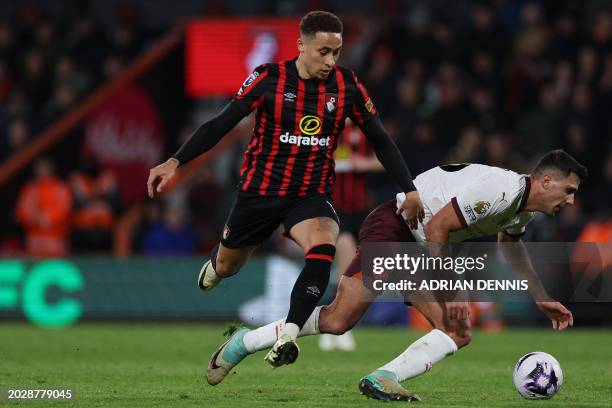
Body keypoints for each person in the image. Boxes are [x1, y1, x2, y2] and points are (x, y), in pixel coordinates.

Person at [147, 11, 424, 368]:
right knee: (228, 267)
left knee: (324, 244)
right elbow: (220, 124)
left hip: (309, 194)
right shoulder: (268, 79)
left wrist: (410, 189)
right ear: (301, 45)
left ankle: (288, 335)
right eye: (323, 51)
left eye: (336, 53)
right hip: (259, 193)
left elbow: (382, 141)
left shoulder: (347, 87)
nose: (330, 61)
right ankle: (217, 265)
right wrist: (174, 161)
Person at [206, 149, 586, 401]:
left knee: (350, 321)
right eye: (568, 191)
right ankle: (247, 343)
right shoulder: (501, 191)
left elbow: (511, 245)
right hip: (396, 228)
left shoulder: (523, 208)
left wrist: (540, 296)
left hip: (413, 242)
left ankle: (249, 344)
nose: (570, 201)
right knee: (351, 320)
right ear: (546, 181)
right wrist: (451, 293)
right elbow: (438, 228)